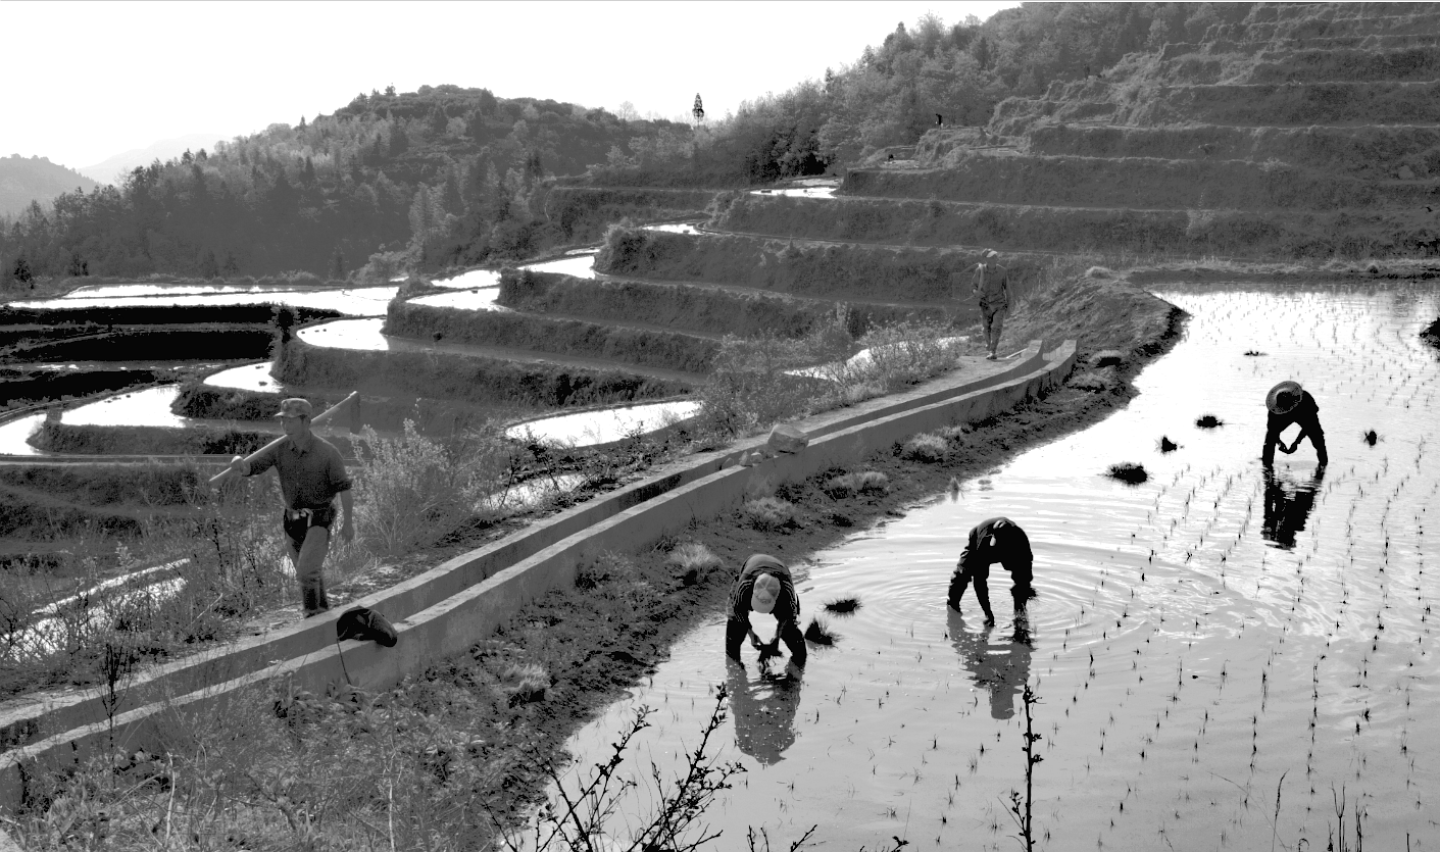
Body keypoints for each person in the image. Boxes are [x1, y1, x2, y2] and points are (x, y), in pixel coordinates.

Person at [220, 398, 355, 617]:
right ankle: (321, 614)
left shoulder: (327, 453)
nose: (286, 426)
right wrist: (240, 464)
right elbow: (254, 466)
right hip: (292, 521)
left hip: (319, 518)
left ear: (306, 422)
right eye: (283, 421)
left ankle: (312, 617)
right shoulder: (279, 449)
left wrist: (348, 523)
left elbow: (344, 490)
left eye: (291, 421)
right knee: (310, 574)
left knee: (305, 572)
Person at [947, 516, 1034, 624]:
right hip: (978, 539)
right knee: (961, 575)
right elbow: (979, 582)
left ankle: (1020, 619)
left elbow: (1026, 567)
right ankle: (953, 608)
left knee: (1021, 584)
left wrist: (1025, 586)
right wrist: (988, 613)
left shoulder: (1021, 542)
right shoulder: (986, 543)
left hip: (1012, 551)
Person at [725, 554, 806, 667]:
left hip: (781, 574)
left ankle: (798, 665)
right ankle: (733, 663)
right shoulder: (745, 585)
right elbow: (738, 611)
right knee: (735, 625)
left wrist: (777, 637)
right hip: (751, 570)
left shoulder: (786, 591)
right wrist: (751, 634)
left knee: (789, 629)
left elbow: (789, 617)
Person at [1262, 380, 1328, 466]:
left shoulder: (1306, 399)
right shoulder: (1275, 411)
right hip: (1284, 417)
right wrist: (1279, 443)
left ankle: (1323, 465)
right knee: (1270, 440)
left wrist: (1296, 442)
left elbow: (1310, 426)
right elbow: (1272, 430)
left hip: (1302, 412)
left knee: (1318, 439)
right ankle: (1267, 466)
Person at [972, 249, 1010, 360]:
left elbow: (1008, 289)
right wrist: (976, 292)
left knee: (996, 326)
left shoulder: (1002, 271)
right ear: (987, 259)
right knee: (986, 328)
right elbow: (973, 287)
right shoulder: (980, 271)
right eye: (992, 257)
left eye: (996, 257)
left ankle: (993, 351)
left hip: (999, 304)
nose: (995, 259)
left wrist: (1009, 305)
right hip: (985, 305)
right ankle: (989, 347)